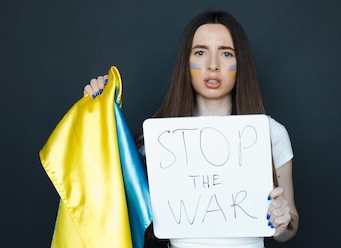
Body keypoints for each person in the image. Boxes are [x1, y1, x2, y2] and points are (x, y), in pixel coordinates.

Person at [83, 10, 298, 248]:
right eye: (200, 52)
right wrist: (97, 111)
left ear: (241, 63)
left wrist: (282, 221)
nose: (213, 65)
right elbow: (107, 195)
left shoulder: (271, 133)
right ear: (186, 61)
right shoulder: (157, 140)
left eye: (226, 53)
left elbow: (290, 226)